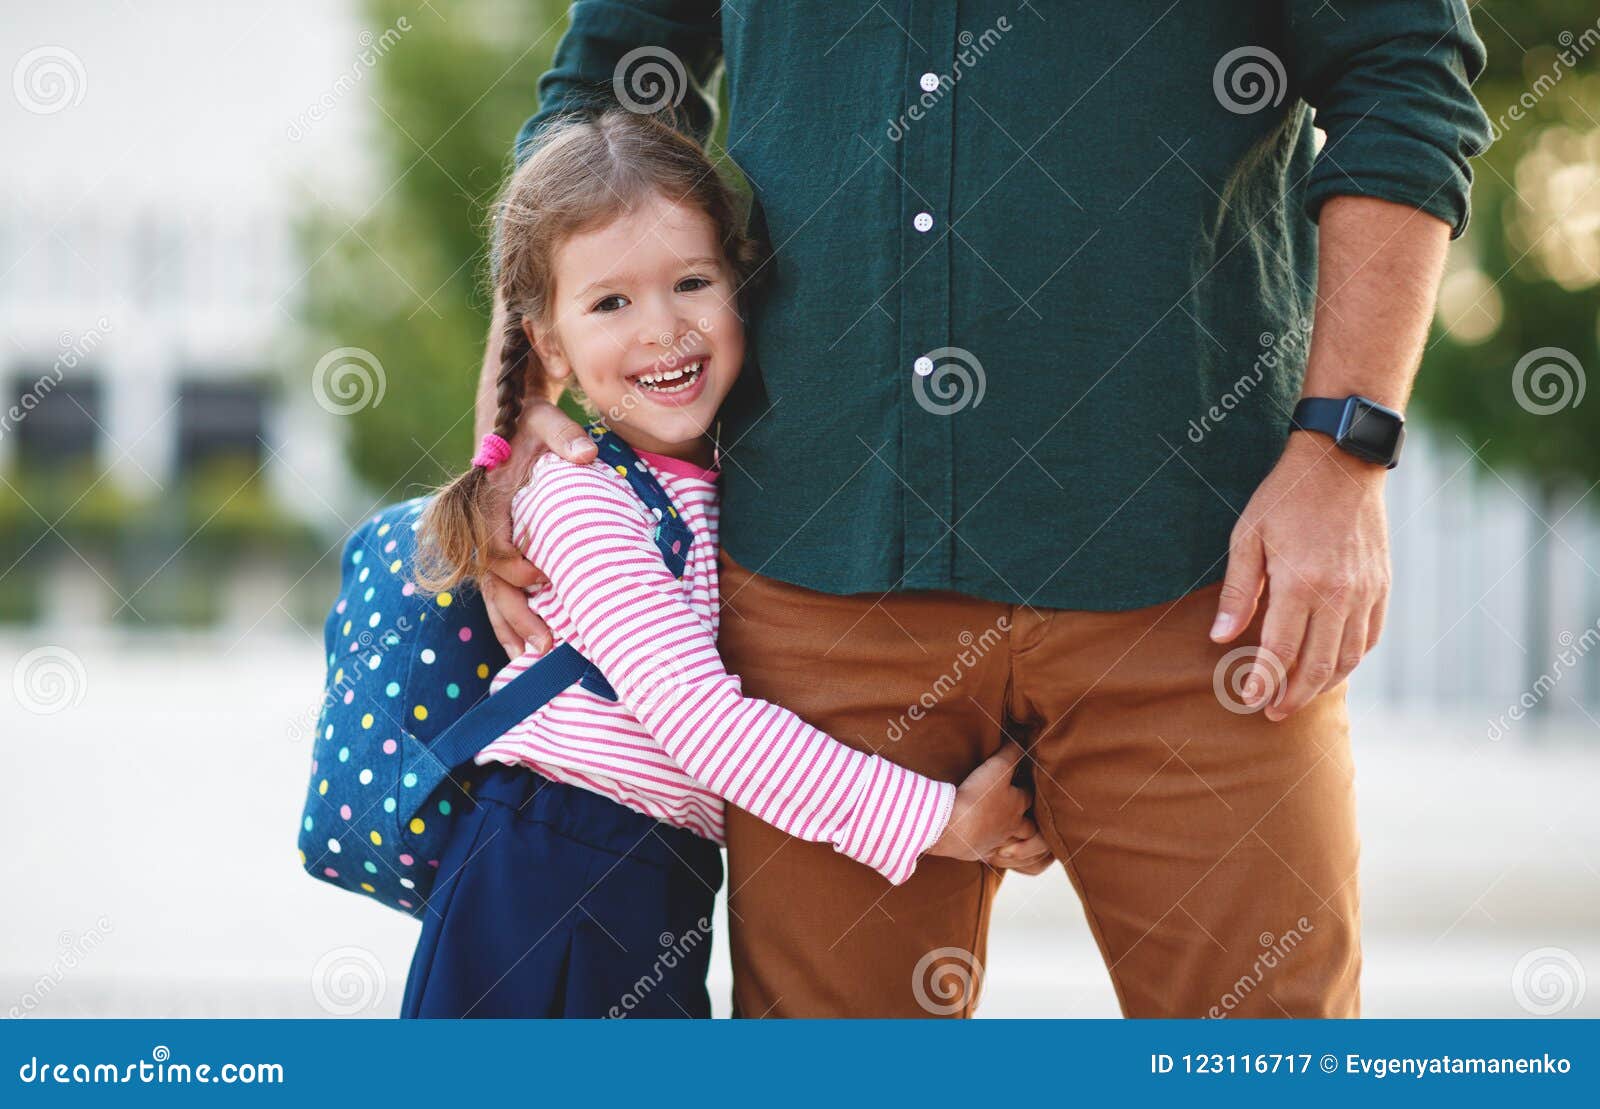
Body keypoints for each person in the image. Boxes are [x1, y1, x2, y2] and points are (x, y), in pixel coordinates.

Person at [477, 3, 1495, 1018]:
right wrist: (508, 419)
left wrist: (1342, 452)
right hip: (817, 568)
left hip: (1197, 573)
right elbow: (605, 80)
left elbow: (1402, 71)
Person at [399, 108, 1047, 1019]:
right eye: (611, 302)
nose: (663, 328)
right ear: (550, 346)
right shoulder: (581, 497)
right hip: (556, 875)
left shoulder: (721, 478)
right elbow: (701, 721)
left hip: (645, 875)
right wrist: (939, 821)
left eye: (691, 282)